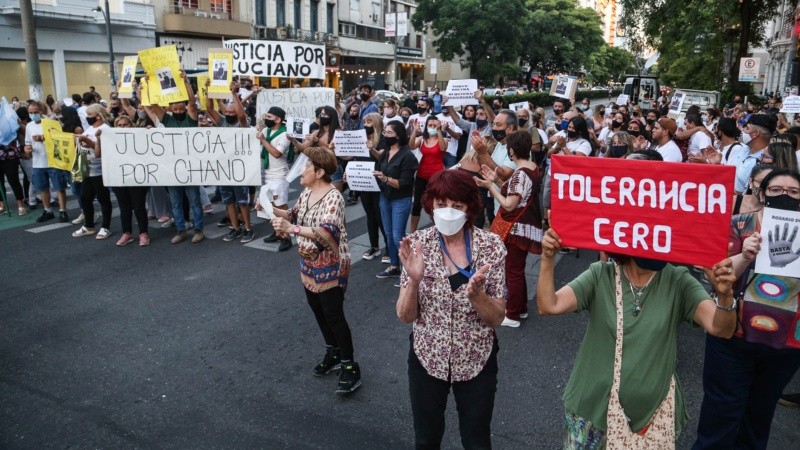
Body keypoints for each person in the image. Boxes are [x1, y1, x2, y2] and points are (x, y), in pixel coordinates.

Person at [537, 153, 738, 449]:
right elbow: (548, 305)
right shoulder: (600, 275)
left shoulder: (678, 280)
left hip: (652, 417)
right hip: (591, 410)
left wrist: (724, 295)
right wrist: (547, 259)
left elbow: (721, 328)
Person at [396, 169, 507, 449]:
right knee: (426, 439)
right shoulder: (417, 246)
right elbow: (405, 316)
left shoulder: (490, 247)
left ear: (469, 207)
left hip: (476, 360)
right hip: (427, 358)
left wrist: (478, 296)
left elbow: (497, 318)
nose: (448, 212)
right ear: (430, 204)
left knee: (477, 440)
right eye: (441, 204)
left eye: (457, 206)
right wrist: (413, 280)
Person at [693, 169, 800, 450]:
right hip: (733, 332)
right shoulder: (740, 224)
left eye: (793, 191)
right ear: (762, 193)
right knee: (721, 411)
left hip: (787, 342)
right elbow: (715, 279)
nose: (784, 195)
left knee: (759, 414)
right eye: (776, 189)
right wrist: (744, 254)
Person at [268, 147, 361, 395]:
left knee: (334, 315)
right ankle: (333, 352)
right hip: (308, 263)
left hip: (330, 265)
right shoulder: (307, 191)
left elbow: (327, 231)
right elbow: (294, 214)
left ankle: (350, 367)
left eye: (306, 167)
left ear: (319, 172)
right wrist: (271, 209)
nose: (301, 170)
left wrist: (291, 229)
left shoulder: (334, 197)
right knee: (318, 310)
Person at [475, 131, 542, 327]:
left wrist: (490, 186)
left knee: (513, 271)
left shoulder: (520, 173)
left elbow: (509, 204)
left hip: (515, 228)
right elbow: (517, 192)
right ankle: (519, 309)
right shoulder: (532, 167)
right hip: (524, 227)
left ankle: (512, 314)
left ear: (512, 151)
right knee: (516, 270)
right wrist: (494, 180)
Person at [143, 70, 205, 244]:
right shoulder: (167, 120)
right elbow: (153, 105)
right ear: (170, 108)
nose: (178, 110)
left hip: (190, 167)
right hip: (172, 168)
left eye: (181, 107)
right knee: (176, 203)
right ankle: (181, 230)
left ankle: (199, 229)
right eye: (175, 108)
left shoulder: (191, 118)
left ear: (185, 108)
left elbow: (192, 102)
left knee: (194, 200)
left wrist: (186, 82)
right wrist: (149, 85)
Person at [373, 121, 419, 279]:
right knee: (388, 233)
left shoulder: (408, 156)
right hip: (385, 198)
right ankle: (394, 266)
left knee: (398, 236)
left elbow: (404, 183)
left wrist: (385, 179)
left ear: (398, 136)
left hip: (400, 199)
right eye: (384, 133)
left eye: (389, 133)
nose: (386, 136)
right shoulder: (385, 152)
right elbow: (378, 170)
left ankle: (409, 270)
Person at [71, 104, 113, 239]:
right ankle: (89, 225)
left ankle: (106, 227)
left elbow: (100, 150)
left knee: (103, 199)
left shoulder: (105, 129)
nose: (88, 117)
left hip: (100, 170)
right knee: (85, 197)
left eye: (90, 115)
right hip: (88, 169)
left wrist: (86, 140)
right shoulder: (90, 128)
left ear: (98, 116)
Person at [24, 101, 70, 223]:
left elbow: (60, 139)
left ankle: (63, 211)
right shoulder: (29, 126)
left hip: (53, 161)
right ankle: (48, 210)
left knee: (59, 187)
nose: (33, 115)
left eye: (35, 112)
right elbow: (27, 143)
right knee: (42, 188)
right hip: (38, 163)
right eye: (30, 113)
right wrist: (27, 148)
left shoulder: (52, 123)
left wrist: (44, 138)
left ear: (41, 112)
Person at [110, 115, 150, 246]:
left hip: (137, 176)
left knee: (138, 206)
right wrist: (99, 140)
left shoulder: (139, 137)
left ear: (131, 125)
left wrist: (149, 133)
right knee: (124, 207)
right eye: (119, 125)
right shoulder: (111, 140)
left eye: (125, 125)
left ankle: (143, 233)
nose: (122, 128)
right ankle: (127, 233)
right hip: (119, 177)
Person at [258, 106, 293, 251]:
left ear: (278, 120)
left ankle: (286, 237)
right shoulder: (266, 131)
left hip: (279, 176)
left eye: (270, 117)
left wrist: (263, 141)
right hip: (267, 175)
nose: (267, 119)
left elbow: (277, 153)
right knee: (270, 206)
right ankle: (277, 231)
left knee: (280, 207)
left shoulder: (285, 135)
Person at [356, 112, 390, 261]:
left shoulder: (382, 139)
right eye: (365, 122)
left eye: (369, 122)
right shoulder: (361, 138)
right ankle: (374, 246)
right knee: (370, 215)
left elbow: (381, 156)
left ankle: (389, 248)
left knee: (380, 216)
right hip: (363, 182)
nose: (365, 125)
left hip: (377, 181)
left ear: (375, 124)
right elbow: (351, 156)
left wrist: (371, 148)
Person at [409, 115, 447, 232]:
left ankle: (439, 230)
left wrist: (439, 131)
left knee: (437, 205)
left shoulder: (443, 139)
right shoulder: (422, 140)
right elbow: (411, 146)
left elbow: (442, 148)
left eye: (434, 125)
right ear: (426, 126)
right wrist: (414, 132)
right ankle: (412, 232)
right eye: (430, 125)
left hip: (437, 178)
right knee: (416, 205)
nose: (432, 127)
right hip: (421, 175)